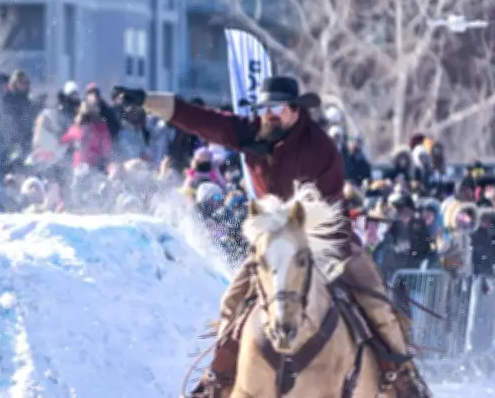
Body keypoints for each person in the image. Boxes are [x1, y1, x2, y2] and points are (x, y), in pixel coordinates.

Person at [114, 76, 430, 398]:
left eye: (276, 107)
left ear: (295, 111)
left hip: (329, 241)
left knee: (375, 301)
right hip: (275, 245)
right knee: (231, 303)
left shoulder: (320, 147)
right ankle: (218, 380)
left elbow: (330, 209)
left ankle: (402, 376)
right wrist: (146, 100)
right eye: (264, 108)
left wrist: (306, 237)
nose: (269, 114)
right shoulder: (251, 133)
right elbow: (201, 119)